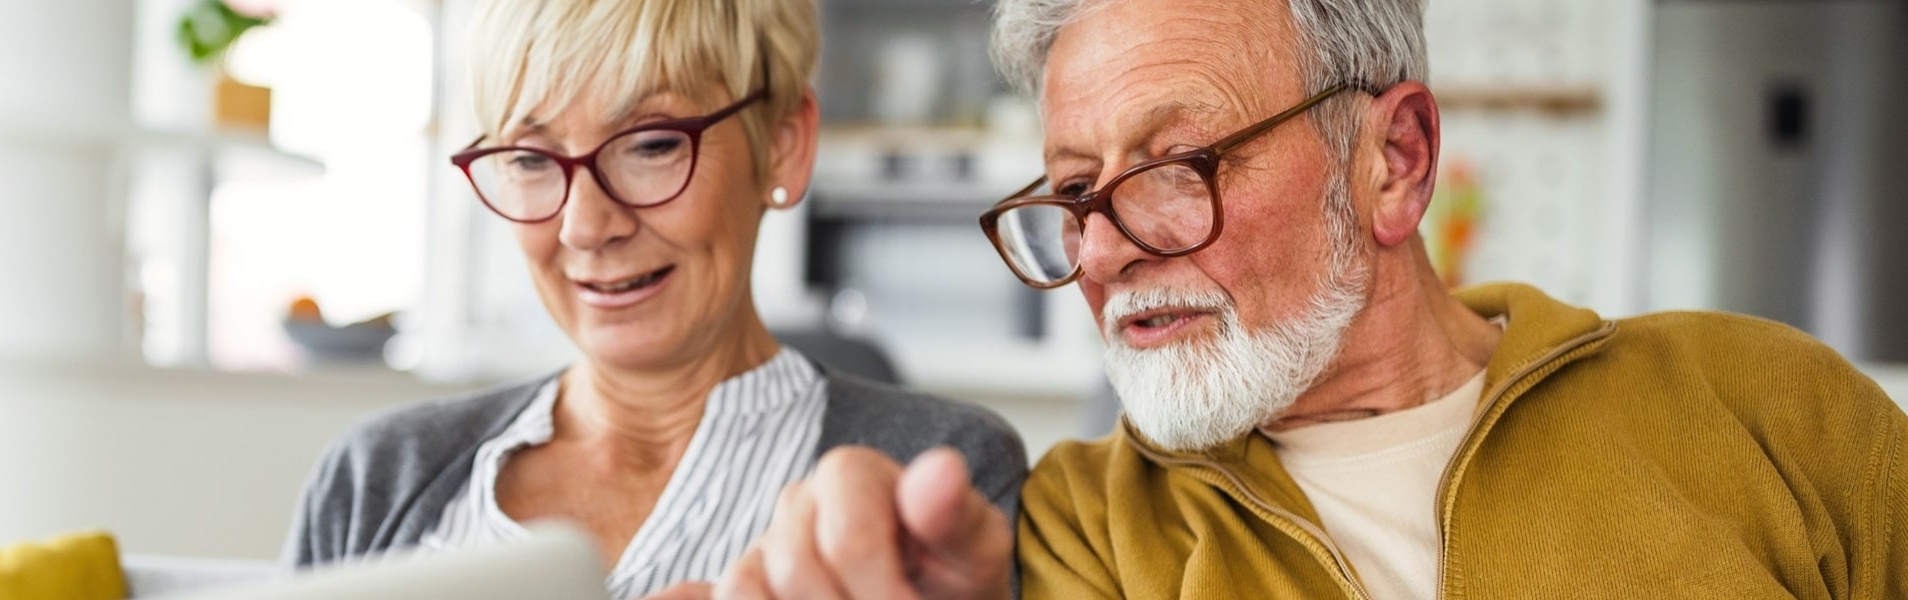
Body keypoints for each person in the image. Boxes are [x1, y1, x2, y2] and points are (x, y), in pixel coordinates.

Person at [703, 0, 1908, 598]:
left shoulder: (1772, 405)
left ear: (1393, 161)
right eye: (1075, 191)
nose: (1107, 250)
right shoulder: (1078, 530)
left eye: (1175, 169)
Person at [277, 1, 1027, 599]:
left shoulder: (941, 477)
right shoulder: (379, 476)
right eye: (532, 160)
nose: (585, 225)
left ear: (784, 145)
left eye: (651, 145)